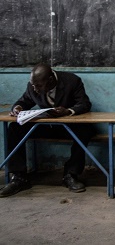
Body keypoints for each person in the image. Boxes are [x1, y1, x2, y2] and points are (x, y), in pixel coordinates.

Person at [0, 63, 94, 198]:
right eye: (33, 85)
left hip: (69, 127)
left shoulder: (72, 81)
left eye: (38, 86)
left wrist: (67, 111)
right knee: (15, 127)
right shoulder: (34, 85)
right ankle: (19, 177)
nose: (35, 89)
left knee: (85, 130)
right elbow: (24, 101)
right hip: (47, 127)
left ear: (50, 80)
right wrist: (18, 108)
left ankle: (70, 175)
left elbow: (84, 104)